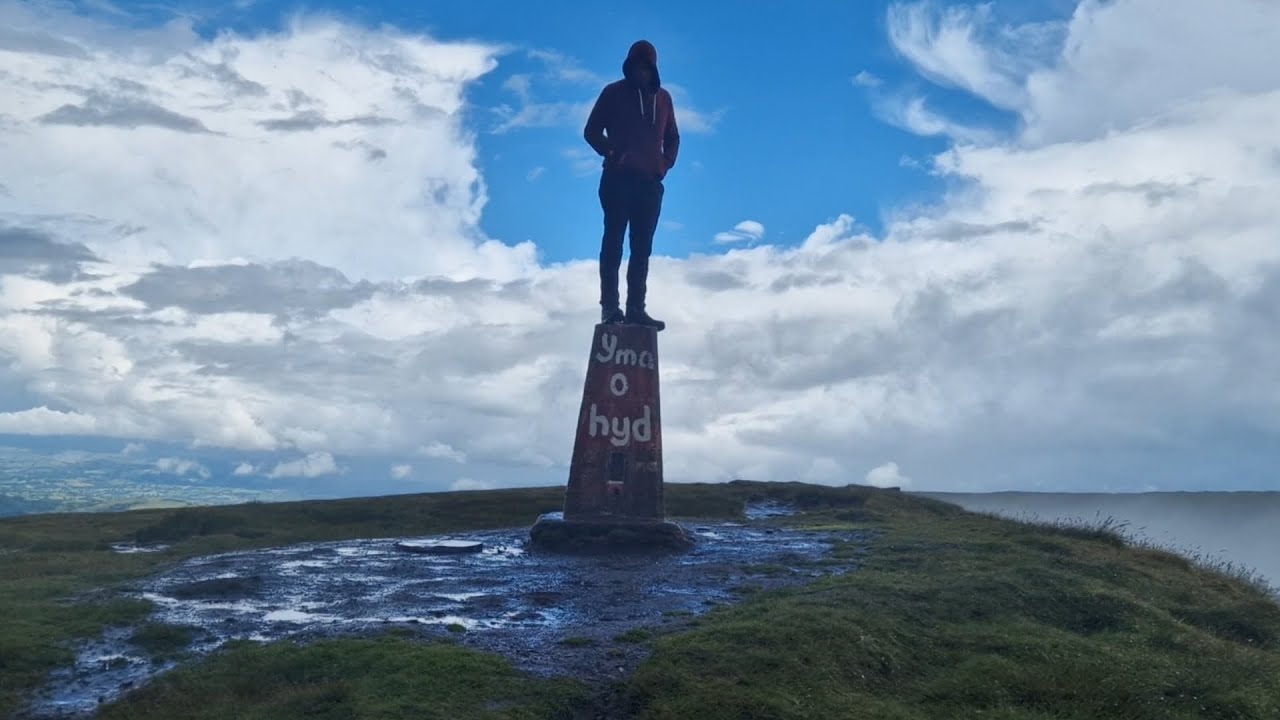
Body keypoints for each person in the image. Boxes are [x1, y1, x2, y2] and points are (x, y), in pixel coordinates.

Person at [583, 39, 680, 331]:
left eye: (646, 68)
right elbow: (590, 131)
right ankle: (610, 308)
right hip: (617, 180)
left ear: (653, 70)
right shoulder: (612, 93)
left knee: (642, 249)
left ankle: (636, 308)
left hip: (649, 184)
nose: (641, 73)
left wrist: (664, 164)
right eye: (637, 67)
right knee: (613, 243)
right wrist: (612, 152)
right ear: (629, 67)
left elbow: (673, 137)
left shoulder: (663, 99)